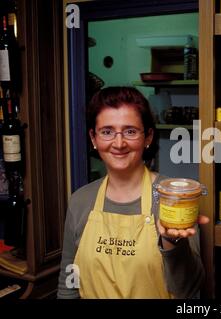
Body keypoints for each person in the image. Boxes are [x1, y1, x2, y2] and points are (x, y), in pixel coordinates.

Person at [57, 86, 209, 299]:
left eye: (130, 131)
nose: (119, 144)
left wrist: (172, 243)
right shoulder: (80, 200)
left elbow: (189, 290)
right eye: (107, 132)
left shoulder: (172, 200)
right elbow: (69, 282)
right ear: (93, 138)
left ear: (147, 137)